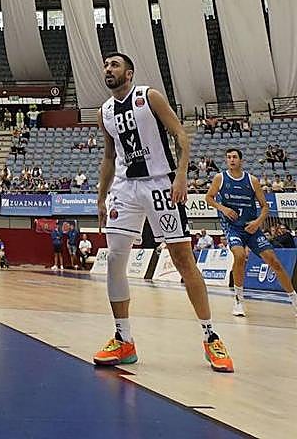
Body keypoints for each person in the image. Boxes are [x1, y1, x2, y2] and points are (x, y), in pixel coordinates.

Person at [93, 53, 233, 373]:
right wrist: (101, 199)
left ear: (129, 72)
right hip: (125, 188)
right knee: (115, 258)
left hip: (161, 184)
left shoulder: (148, 96)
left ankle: (211, 337)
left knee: (183, 259)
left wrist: (181, 175)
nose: (108, 69)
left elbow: (180, 135)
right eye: (105, 65)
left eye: (114, 65)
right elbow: (109, 157)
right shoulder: (105, 112)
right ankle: (123, 339)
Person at [205, 148, 297, 318]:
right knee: (239, 256)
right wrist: (223, 208)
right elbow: (209, 197)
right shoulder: (220, 178)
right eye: (228, 157)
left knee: (274, 262)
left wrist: (257, 222)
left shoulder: (252, 180)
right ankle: (238, 301)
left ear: (241, 160)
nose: (231, 160)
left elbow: (265, 206)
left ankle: (294, 299)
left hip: (252, 227)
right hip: (233, 227)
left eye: (234, 157)